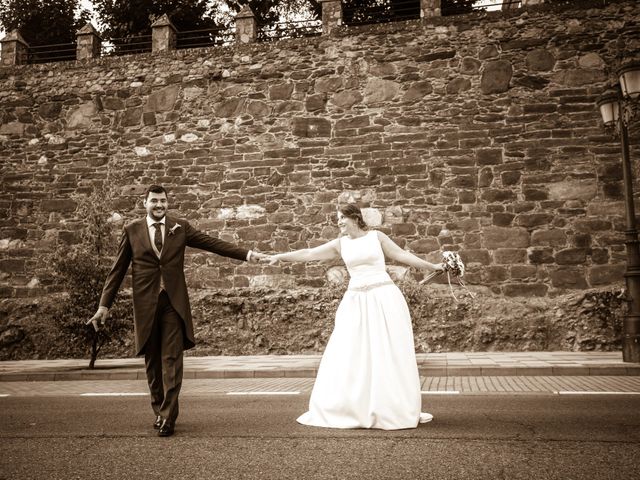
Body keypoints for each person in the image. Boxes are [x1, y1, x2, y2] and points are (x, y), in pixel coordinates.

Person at [87, 184, 265, 437]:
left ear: (167, 203)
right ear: (145, 203)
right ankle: (159, 409)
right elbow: (117, 271)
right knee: (153, 363)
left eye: (163, 201)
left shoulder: (180, 227)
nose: (159, 205)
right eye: (154, 201)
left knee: (171, 358)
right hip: (145, 305)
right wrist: (103, 306)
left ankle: (168, 416)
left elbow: (211, 243)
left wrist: (247, 255)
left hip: (173, 302)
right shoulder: (132, 230)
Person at [263, 204, 444, 430]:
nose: (338, 222)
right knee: (349, 350)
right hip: (355, 301)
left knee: (387, 350)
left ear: (355, 218)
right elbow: (309, 254)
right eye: (337, 219)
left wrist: (431, 266)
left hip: (384, 297)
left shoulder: (377, 237)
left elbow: (401, 254)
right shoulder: (341, 244)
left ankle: (391, 406)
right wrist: (279, 256)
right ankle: (351, 406)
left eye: (341, 218)